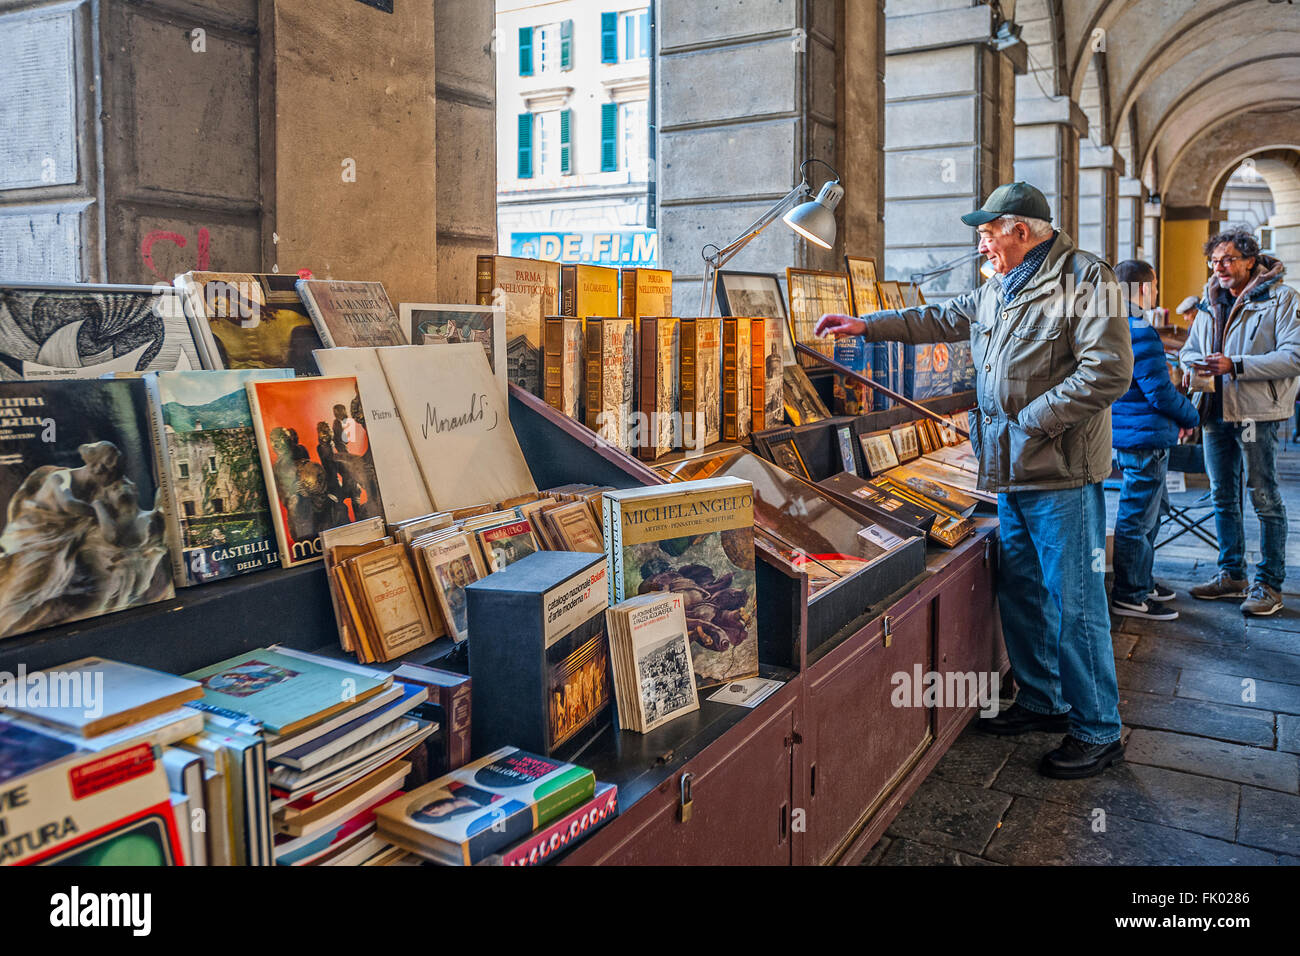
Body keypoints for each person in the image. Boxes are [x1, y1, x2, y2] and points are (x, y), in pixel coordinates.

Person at [815, 182, 1133, 778]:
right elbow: (944, 316)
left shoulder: (1088, 279)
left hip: (1058, 470)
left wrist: (1029, 422)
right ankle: (1042, 699)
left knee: (1075, 604)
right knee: (1023, 591)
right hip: (1009, 469)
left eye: (988, 234)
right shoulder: (1001, 281)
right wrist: (867, 325)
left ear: (1020, 230)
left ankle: (1098, 730)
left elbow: (1108, 371)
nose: (982, 244)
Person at [1179, 229, 1300, 616]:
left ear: (1251, 260)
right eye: (1215, 261)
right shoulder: (1208, 300)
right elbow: (1191, 349)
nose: (1220, 267)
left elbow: (1294, 357)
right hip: (1215, 409)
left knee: (1264, 497)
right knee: (1222, 497)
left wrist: (1238, 365)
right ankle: (1232, 574)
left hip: (1256, 413)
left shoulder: (1282, 299)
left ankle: (1269, 583)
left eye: (1229, 259)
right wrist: (1189, 364)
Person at [1109, 259, 1200, 621]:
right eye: (1155, 287)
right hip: (1144, 438)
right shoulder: (1139, 330)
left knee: (1150, 511)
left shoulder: (1111, 325)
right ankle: (1130, 594)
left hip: (1131, 434)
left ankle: (1142, 581)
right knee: (1138, 517)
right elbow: (1159, 393)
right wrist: (1191, 416)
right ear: (1146, 289)